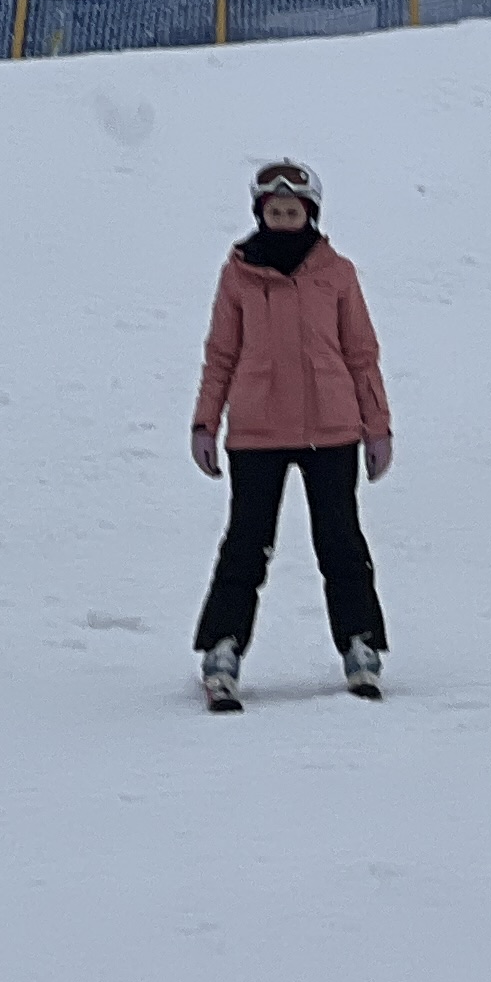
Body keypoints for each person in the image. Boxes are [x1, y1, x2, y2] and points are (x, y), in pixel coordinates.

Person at [188, 160, 392, 711]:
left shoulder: (338, 274)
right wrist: (206, 421)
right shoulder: (238, 275)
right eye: (274, 211)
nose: (282, 219)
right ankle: (222, 650)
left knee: (340, 540)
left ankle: (361, 646)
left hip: (332, 429)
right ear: (261, 214)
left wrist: (377, 428)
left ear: (310, 214)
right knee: (246, 543)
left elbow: (361, 354)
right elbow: (221, 354)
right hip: (257, 432)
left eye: (292, 211)